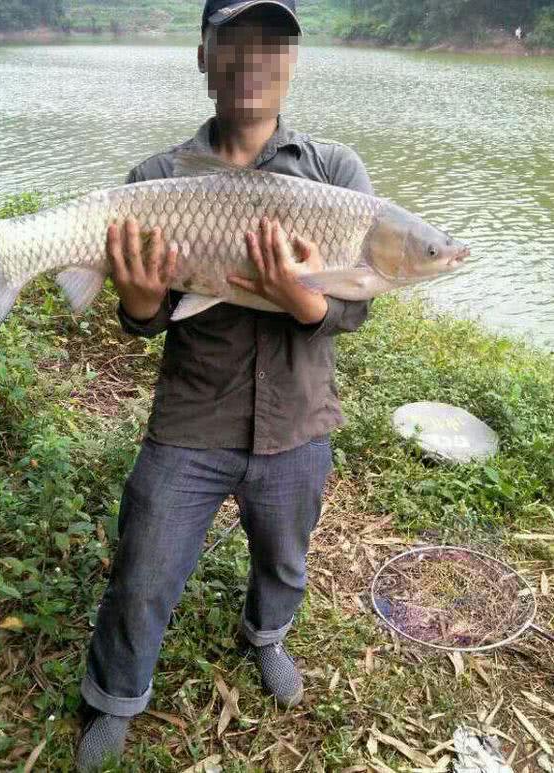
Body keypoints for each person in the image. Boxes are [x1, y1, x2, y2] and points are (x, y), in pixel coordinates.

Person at [75, 1, 374, 769]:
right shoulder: (156, 180)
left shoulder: (335, 175)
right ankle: (114, 698)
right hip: (192, 419)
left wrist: (301, 296)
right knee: (142, 567)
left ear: (292, 62)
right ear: (204, 57)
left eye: (271, 44)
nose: (252, 59)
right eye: (232, 43)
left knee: (285, 555)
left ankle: (266, 633)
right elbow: (142, 316)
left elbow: (356, 305)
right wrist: (142, 295)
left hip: (300, 419)